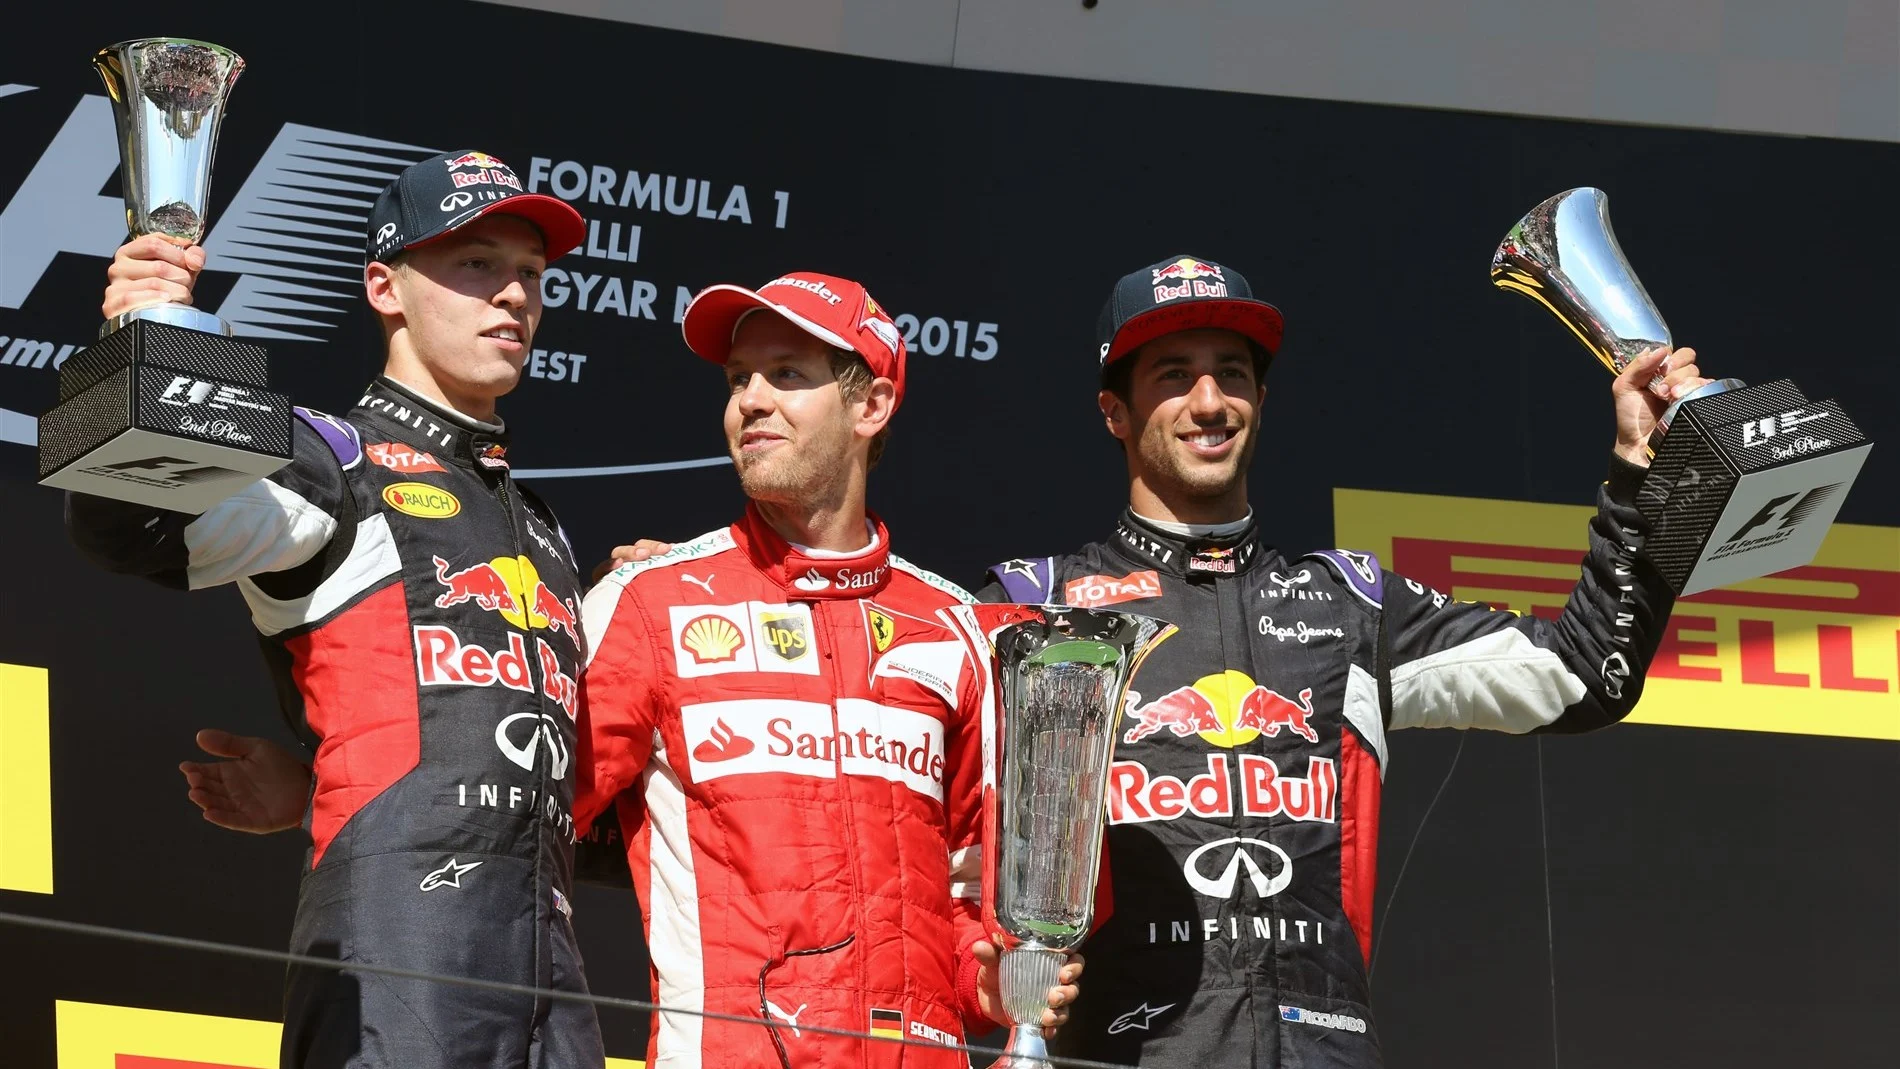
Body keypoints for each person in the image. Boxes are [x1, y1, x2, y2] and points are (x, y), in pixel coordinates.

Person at [969, 253, 1695, 1067]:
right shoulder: (1035, 609)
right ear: (1115, 411)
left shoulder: (1353, 604)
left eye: (1232, 374)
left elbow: (1583, 673)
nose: (1210, 402)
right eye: (1175, 375)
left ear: (1263, 399)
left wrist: (1642, 474)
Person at [65, 151, 603, 1069]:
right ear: (384, 287)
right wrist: (141, 339)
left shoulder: (543, 528)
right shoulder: (336, 457)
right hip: (392, 964)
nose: (513, 295)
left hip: (556, 981)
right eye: (477, 264)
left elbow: (558, 798)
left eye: (531, 273)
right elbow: (120, 516)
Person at [577, 271, 1081, 1067]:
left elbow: (969, 895)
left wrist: (987, 980)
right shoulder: (650, 602)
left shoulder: (960, 629)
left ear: (870, 406)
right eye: (739, 378)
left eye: (787, 374)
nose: (750, 399)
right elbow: (524, 831)